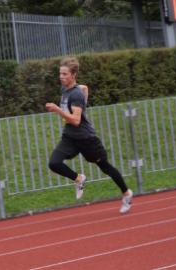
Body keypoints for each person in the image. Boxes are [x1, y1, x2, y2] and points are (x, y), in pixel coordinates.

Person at [45, 56, 133, 214]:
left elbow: (76, 121)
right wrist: (83, 96)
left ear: (73, 75)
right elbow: (84, 88)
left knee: (105, 167)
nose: (61, 77)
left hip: (86, 138)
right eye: (60, 73)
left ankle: (127, 193)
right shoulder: (67, 89)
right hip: (70, 138)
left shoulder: (75, 95)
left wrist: (57, 109)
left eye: (65, 74)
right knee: (54, 163)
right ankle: (78, 178)